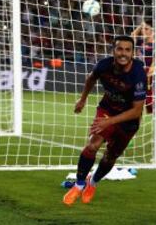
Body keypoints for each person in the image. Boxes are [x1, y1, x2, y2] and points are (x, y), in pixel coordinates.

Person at [63, 36, 147, 206]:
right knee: (92, 145)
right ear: (113, 51)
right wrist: (82, 99)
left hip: (128, 120)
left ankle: (92, 184)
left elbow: (137, 110)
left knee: (110, 156)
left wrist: (110, 122)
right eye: (119, 49)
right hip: (107, 110)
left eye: (127, 50)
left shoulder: (138, 74)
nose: (123, 53)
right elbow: (91, 79)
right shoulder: (103, 65)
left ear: (132, 53)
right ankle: (79, 185)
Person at [131, 20, 155, 114]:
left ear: (153, 31)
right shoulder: (140, 42)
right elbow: (133, 35)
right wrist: (141, 26)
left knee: (150, 107)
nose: (143, 31)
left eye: (146, 29)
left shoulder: (155, 44)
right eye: (143, 29)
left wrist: (151, 71)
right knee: (137, 104)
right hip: (139, 74)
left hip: (150, 76)